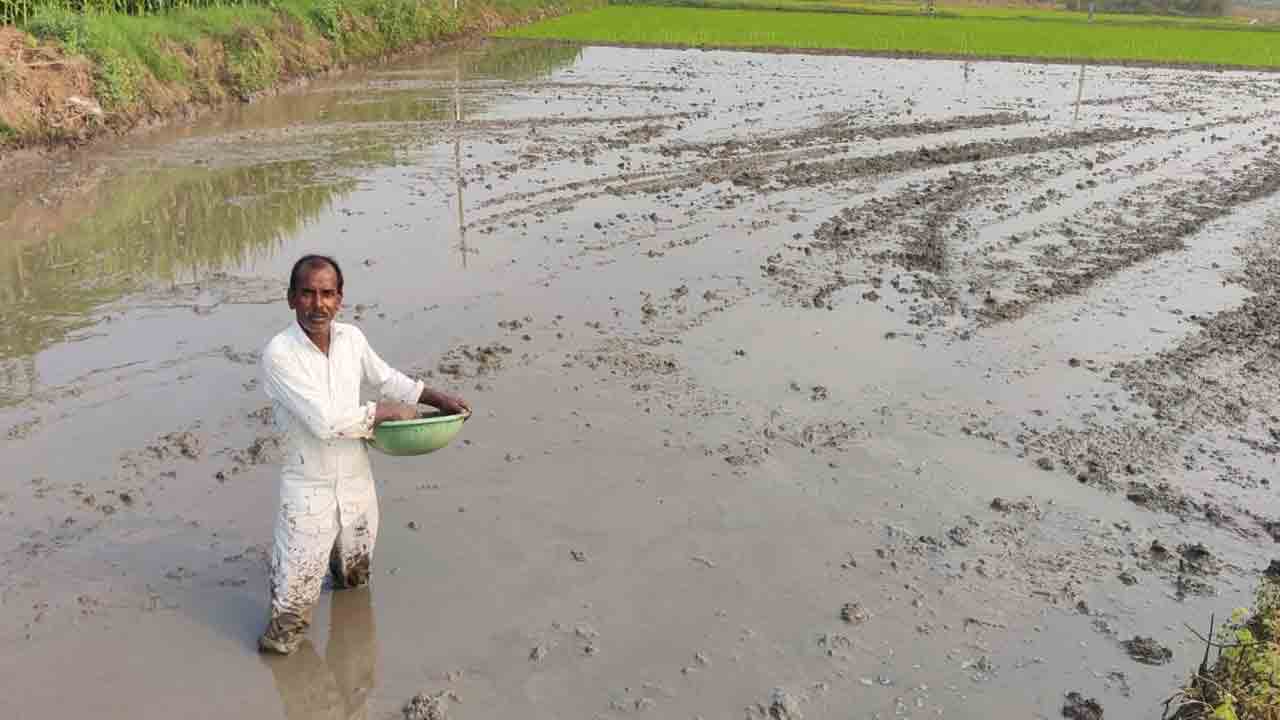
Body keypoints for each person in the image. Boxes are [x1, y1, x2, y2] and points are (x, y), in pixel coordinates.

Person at [258, 254, 469, 655]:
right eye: (307, 294)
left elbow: (386, 378)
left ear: (340, 299)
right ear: (290, 299)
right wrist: (388, 411)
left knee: (355, 581)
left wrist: (437, 398)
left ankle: (350, 675)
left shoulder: (351, 339)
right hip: (309, 491)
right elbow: (325, 421)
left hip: (356, 482)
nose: (317, 304)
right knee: (289, 615)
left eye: (327, 294)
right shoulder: (280, 354)